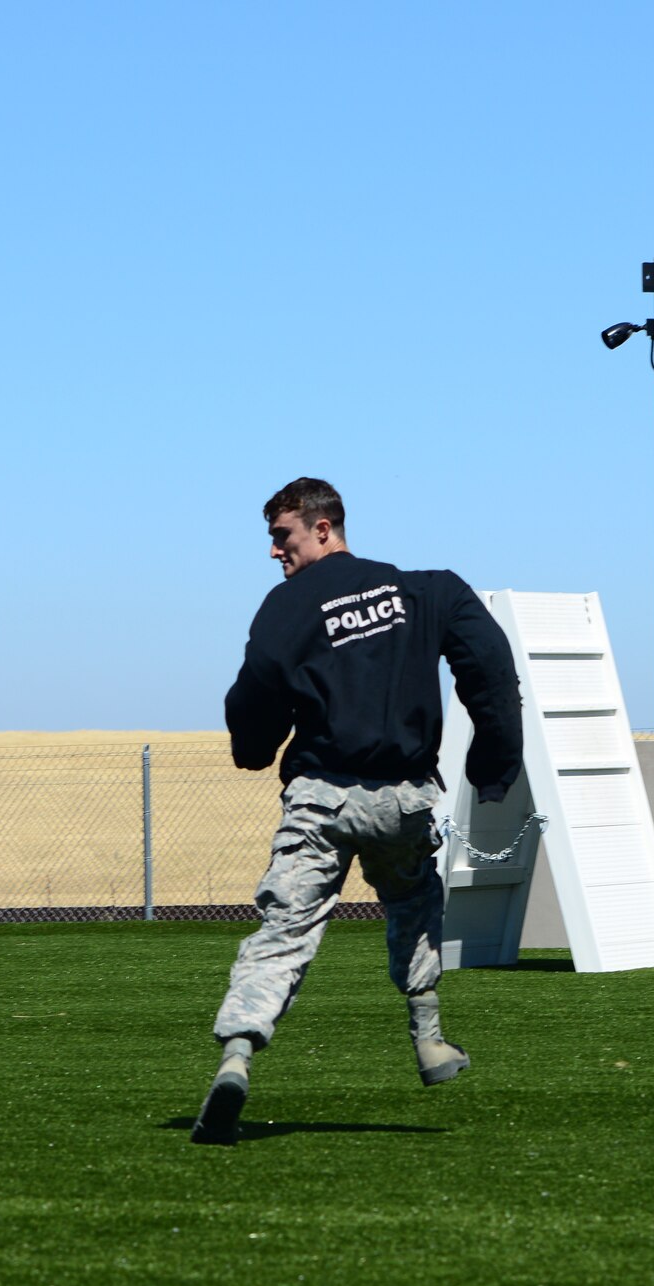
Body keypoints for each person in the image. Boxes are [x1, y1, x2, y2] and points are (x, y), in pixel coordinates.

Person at [191, 477, 523, 1146]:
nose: (275, 552)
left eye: (281, 536)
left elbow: (254, 692)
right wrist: (493, 765)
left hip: (321, 799)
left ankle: (237, 1057)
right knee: (412, 903)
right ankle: (429, 1041)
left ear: (322, 528)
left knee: (286, 927)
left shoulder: (288, 609)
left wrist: (254, 750)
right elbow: (489, 665)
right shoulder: (429, 591)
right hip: (403, 797)